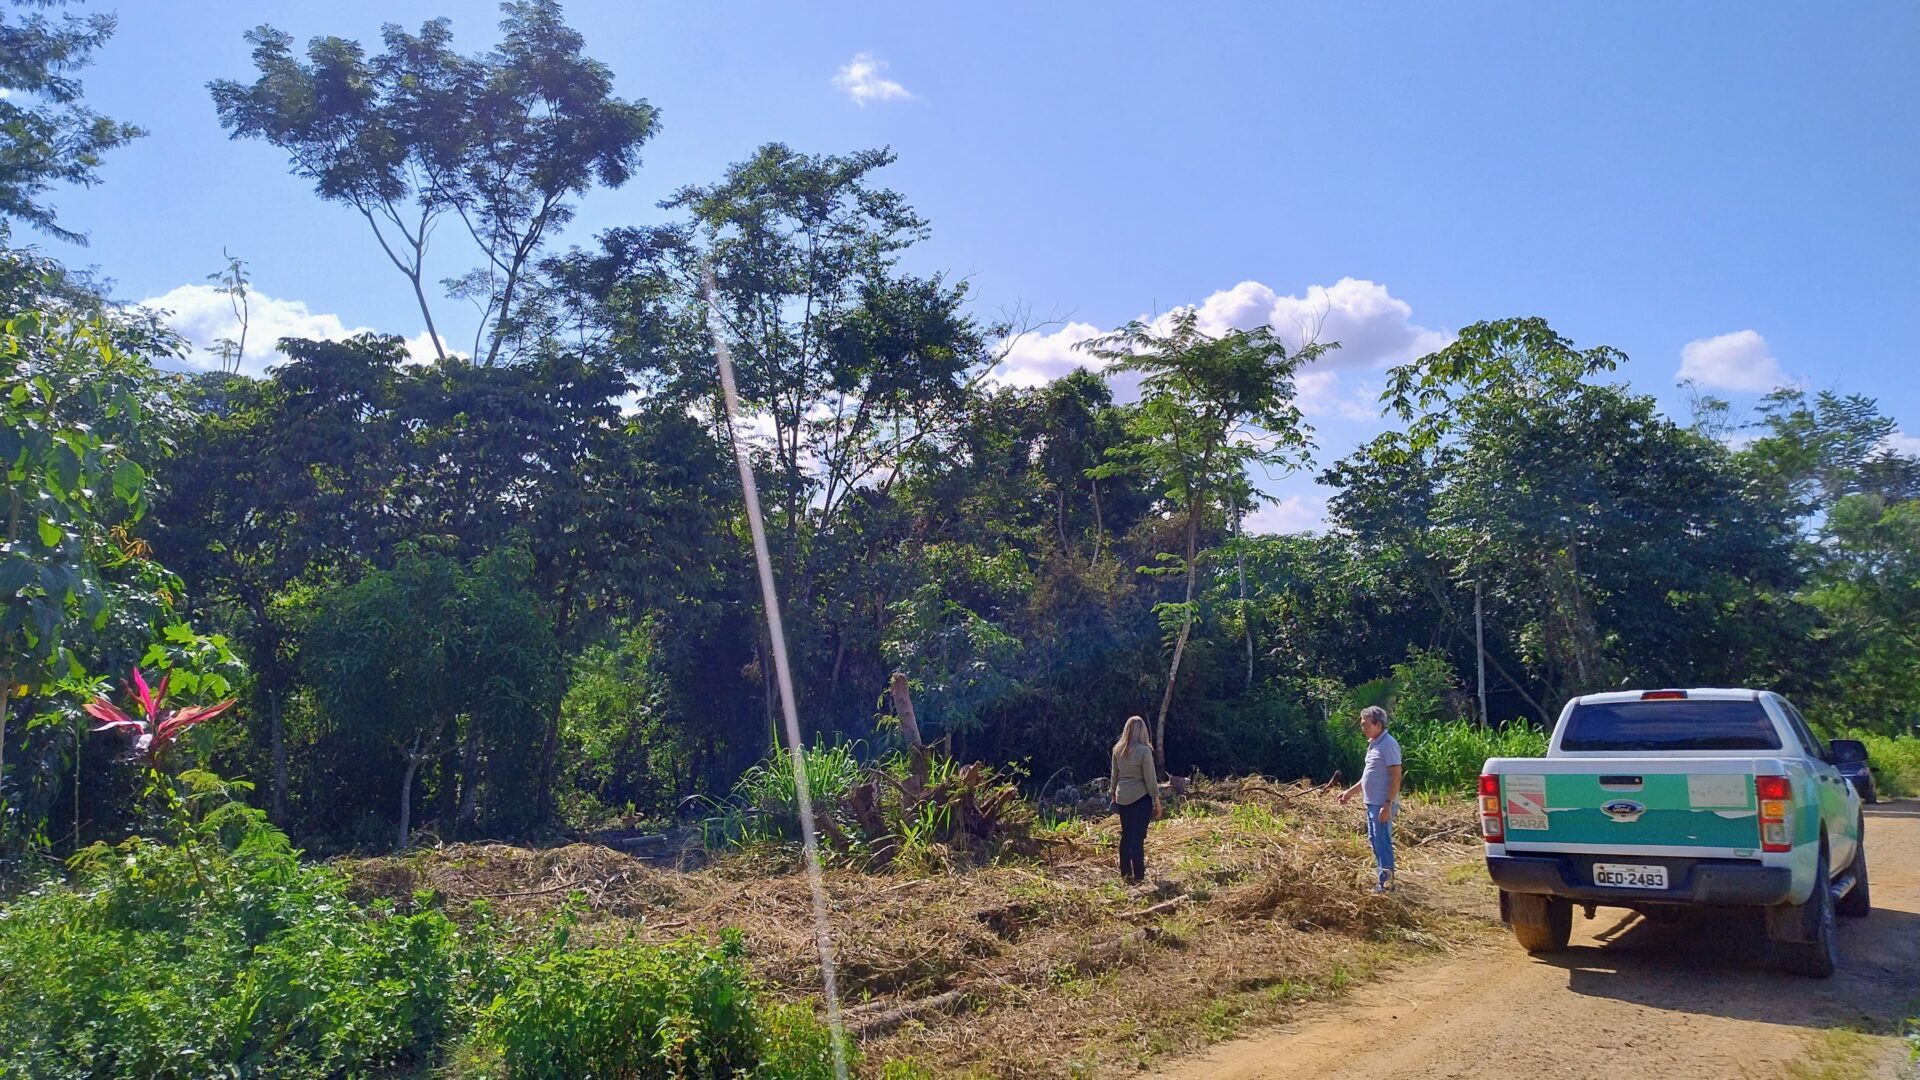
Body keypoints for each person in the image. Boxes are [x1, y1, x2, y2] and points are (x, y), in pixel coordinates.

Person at [1337, 705, 1403, 893]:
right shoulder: (1374, 744)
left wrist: (1387, 805)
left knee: (1382, 842)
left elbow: (1396, 776)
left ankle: (1386, 884)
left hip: (1382, 804)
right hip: (1372, 803)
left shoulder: (1388, 744)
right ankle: (1382, 880)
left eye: (1365, 724)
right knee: (1375, 840)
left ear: (1378, 724)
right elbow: (1368, 777)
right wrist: (1349, 793)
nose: (1362, 727)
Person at [1108, 714, 1164, 884]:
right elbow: (1150, 778)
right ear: (1142, 732)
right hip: (1140, 798)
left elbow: (1114, 776)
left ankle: (1125, 873)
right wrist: (1156, 800)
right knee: (1138, 837)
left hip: (1122, 796)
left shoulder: (1118, 750)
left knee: (1126, 835)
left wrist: (1113, 794)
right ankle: (1139, 875)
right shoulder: (1144, 751)